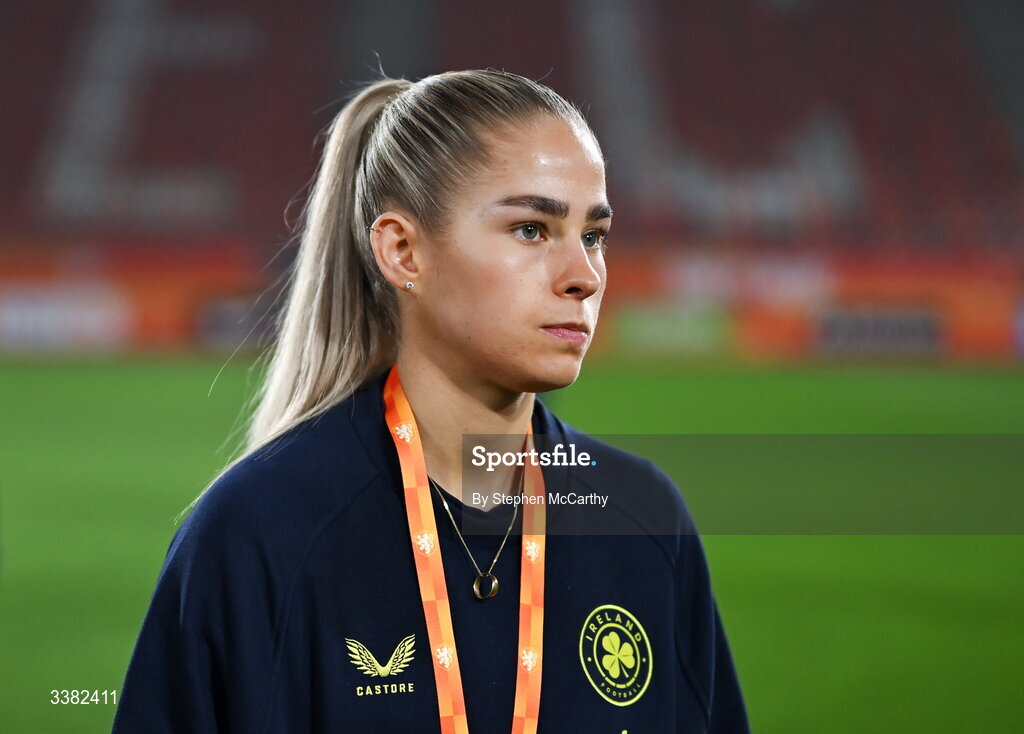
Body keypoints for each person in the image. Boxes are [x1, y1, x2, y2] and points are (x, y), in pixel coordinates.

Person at [111, 69, 750, 733]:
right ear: (402, 251)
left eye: (594, 235)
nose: (583, 276)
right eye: (532, 229)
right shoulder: (256, 534)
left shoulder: (643, 523)